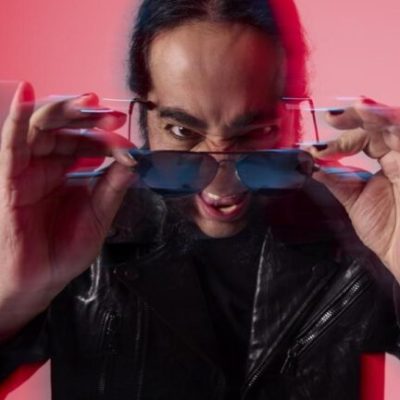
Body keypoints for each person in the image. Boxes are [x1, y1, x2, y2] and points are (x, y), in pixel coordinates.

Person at [0, 0, 400, 399]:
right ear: (143, 115)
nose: (221, 180)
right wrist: (11, 297)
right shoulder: (67, 226)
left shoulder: (360, 227)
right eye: (181, 131)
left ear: (293, 115)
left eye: (255, 132)